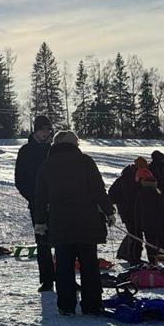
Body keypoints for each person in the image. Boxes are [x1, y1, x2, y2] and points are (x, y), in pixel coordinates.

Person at [33, 131, 115, 316]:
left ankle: (66, 306)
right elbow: (98, 190)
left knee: (63, 266)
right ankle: (92, 305)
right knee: (89, 265)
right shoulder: (86, 162)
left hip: (60, 224)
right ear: (74, 144)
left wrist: (40, 222)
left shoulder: (47, 165)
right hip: (87, 222)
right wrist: (109, 211)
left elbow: (40, 197)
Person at [14, 115, 55, 292]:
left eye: (49, 130)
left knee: (62, 242)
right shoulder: (25, 151)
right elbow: (20, 180)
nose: (46, 133)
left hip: (58, 203)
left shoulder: (54, 150)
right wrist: (33, 198)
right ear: (36, 131)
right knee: (43, 242)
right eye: (43, 129)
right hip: (37, 204)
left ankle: (64, 276)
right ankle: (46, 280)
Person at [108, 157, 147, 262]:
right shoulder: (137, 178)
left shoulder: (122, 179)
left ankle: (131, 256)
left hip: (127, 212)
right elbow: (112, 196)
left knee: (135, 235)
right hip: (132, 212)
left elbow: (111, 195)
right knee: (136, 236)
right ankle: (134, 259)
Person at [134, 169, 164, 263]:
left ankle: (153, 263)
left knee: (151, 245)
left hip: (147, 225)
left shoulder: (141, 193)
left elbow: (137, 212)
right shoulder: (157, 192)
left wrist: (138, 228)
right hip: (159, 224)